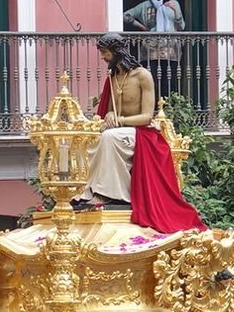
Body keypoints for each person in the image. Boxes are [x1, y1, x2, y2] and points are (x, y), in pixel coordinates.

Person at [73, 33, 204, 234]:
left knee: (109, 138)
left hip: (142, 134)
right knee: (89, 139)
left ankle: (111, 194)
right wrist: (108, 115)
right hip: (120, 131)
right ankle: (86, 192)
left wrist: (121, 121)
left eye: (105, 53)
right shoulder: (112, 78)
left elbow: (146, 117)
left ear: (117, 52)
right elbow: (109, 111)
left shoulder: (142, 75)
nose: (103, 58)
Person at [123, 0, 186, 99]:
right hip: (150, 50)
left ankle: (168, 111)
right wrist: (141, 26)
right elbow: (126, 15)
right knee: (151, 81)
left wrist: (175, 10)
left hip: (171, 50)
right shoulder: (145, 6)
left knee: (170, 83)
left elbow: (181, 27)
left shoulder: (174, 4)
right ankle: (152, 110)